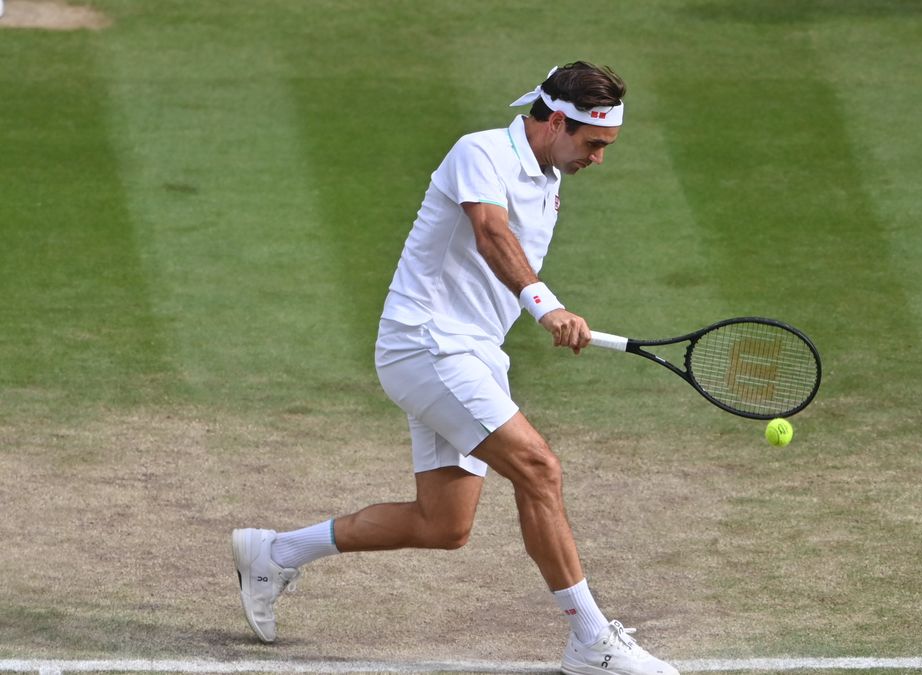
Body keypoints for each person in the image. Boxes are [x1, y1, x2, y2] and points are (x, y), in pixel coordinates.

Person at [231, 62, 678, 675]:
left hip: (475, 355)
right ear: (554, 120)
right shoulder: (481, 152)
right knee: (539, 469)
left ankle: (276, 552)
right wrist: (547, 309)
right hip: (426, 345)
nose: (598, 159)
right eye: (593, 144)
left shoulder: (548, 177)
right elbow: (491, 232)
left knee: (443, 524)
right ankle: (591, 639)